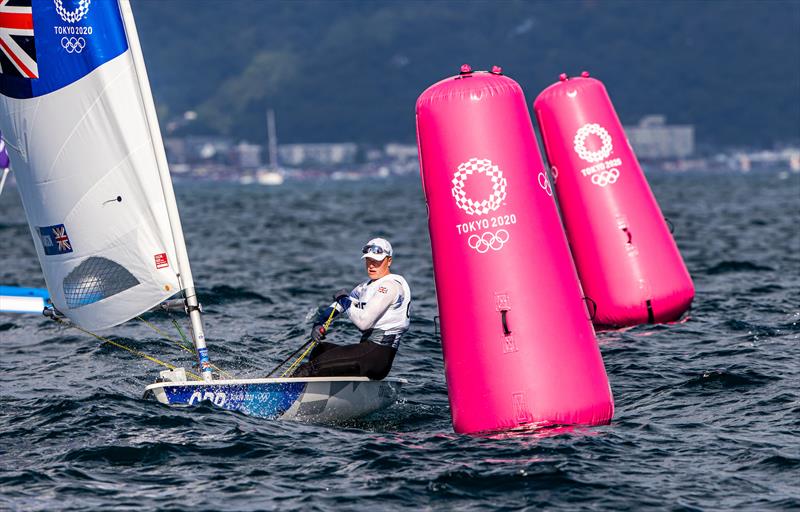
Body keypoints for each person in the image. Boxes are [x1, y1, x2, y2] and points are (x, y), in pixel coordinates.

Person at [291, 238, 411, 380]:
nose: (371, 266)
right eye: (368, 260)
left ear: (389, 261)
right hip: (366, 349)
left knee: (309, 368)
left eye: (377, 261)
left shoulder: (390, 286)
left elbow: (363, 322)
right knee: (320, 350)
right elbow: (339, 306)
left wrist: (343, 299)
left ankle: (282, 396)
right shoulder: (365, 287)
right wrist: (319, 323)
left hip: (377, 355)